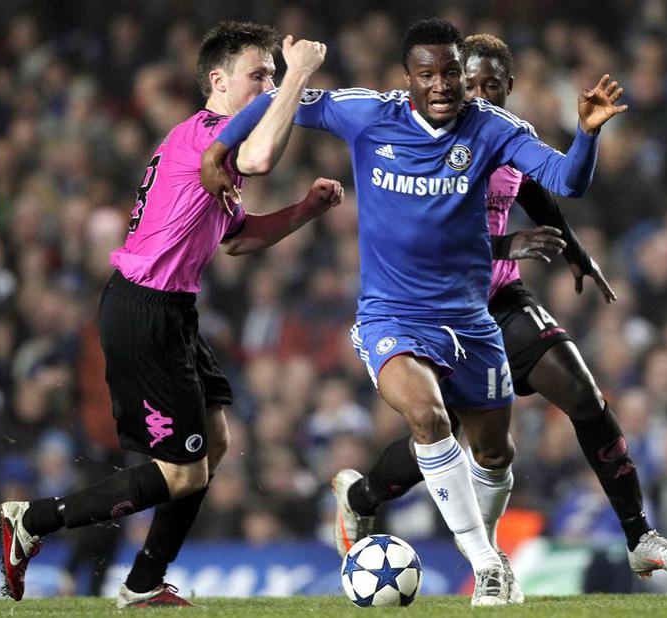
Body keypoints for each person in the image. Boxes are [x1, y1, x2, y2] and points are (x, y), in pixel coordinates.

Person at [202, 18, 624, 605]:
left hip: (471, 320)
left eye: (450, 72)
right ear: (408, 79)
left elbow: (566, 182)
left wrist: (587, 134)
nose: (442, 84)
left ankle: (483, 548)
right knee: (429, 417)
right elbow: (274, 101)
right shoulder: (367, 114)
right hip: (392, 316)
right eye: (427, 74)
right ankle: (486, 562)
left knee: (496, 452)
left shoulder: (492, 127)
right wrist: (217, 150)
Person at [330, 35, 667, 595]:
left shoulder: (501, 136)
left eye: (490, 86)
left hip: (501, 300)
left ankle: (639, 537)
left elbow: (539, 191)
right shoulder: (430, 143)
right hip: (437, 309)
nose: (476, 95)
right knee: (441, 434)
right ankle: (364, 497)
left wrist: (576, 249)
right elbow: (430, 239)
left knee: (584, 396)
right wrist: (506, 245)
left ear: (508, 88)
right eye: (469, 83)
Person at [0, 21, 342, 607]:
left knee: (215, 442)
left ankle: (144, 582)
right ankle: (33, 520)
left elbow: (238, 239)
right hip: (144, 309)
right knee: (183, 472)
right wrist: (300, 74)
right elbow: (261, 157)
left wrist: (306, 209)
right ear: (218, 80)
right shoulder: (204, 135)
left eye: (272, 76)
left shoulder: (213, 148)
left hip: (173, 309)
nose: (268, 86)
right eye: (258, 75)